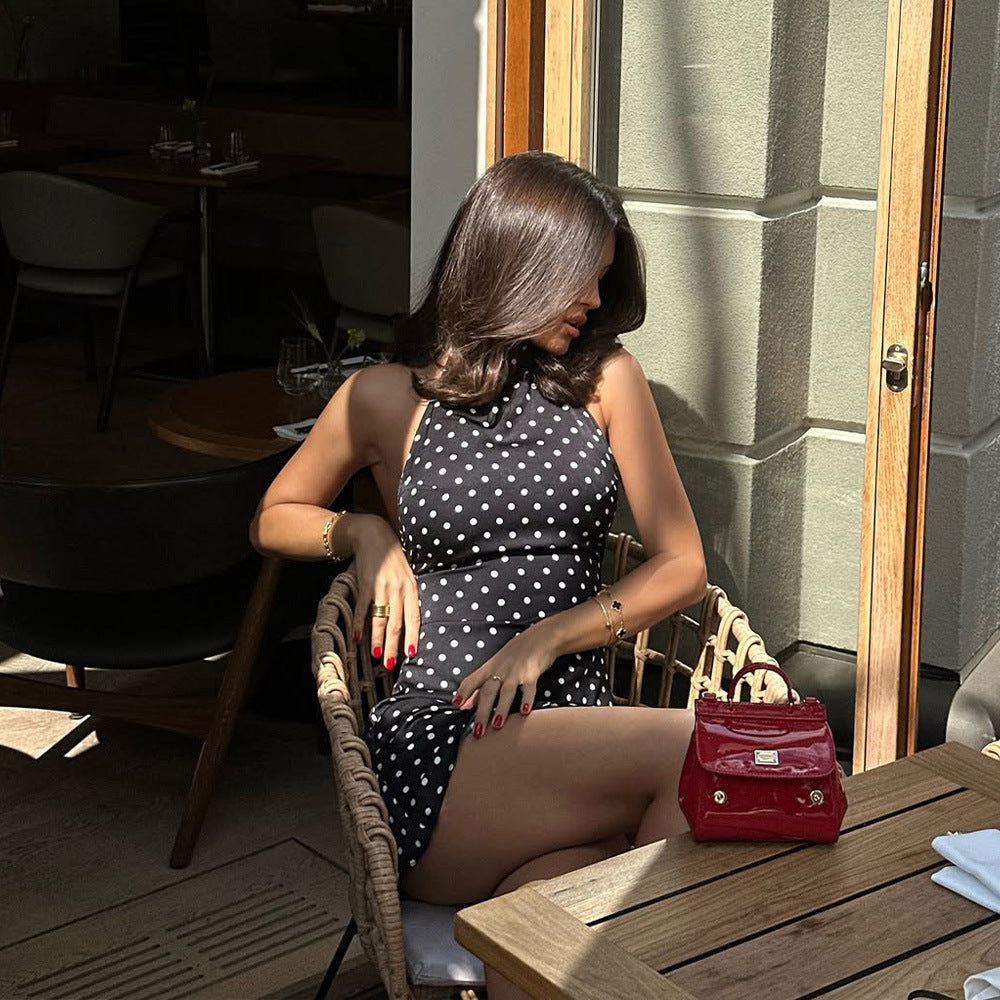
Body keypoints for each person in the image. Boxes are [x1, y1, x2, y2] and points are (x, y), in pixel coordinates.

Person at [251, 151, 707, 1000]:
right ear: (519, 261)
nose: (596, 303)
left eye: (604, 281)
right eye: (581, 279)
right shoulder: (387, 396)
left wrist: (549, 638)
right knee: (699, 749)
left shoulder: (607, 381)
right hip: (448, 743)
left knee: (548, 944)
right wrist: (363, 532)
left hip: (577, 748)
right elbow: (275, 515)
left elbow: (683, 566)